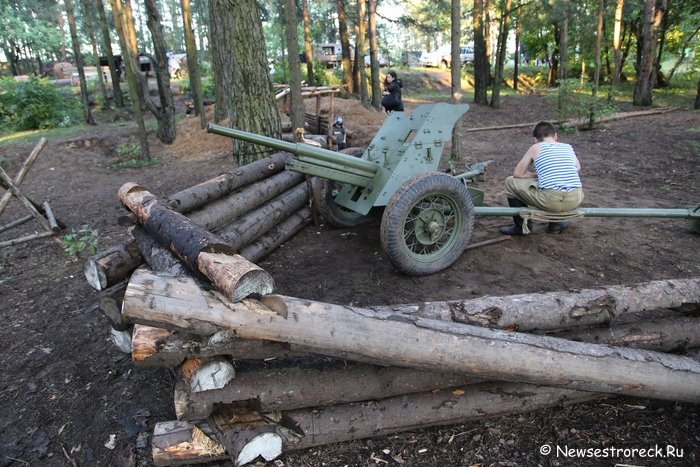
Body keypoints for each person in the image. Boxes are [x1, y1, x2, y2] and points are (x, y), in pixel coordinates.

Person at [499, 121, 583, 236]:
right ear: (555, 136)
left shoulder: (536, 148)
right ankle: (556, 225)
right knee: (555, 184)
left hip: (550, 200)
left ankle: (522, 227)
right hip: (575, 198)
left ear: (535, 139)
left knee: (510, 182)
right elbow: (577, 167)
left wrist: (535, 175)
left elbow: (518, 174)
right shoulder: (567, 147)